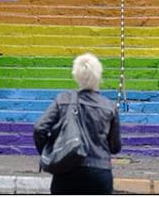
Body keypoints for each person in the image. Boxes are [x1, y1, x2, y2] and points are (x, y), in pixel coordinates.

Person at [34, 53, 122, 194]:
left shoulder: (63, 100)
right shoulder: (109, 106)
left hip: (67, 170)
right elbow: (115, 147)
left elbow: (40, 128)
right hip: (99, 172)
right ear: (99, 75)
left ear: (76, 75)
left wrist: (49, 152)